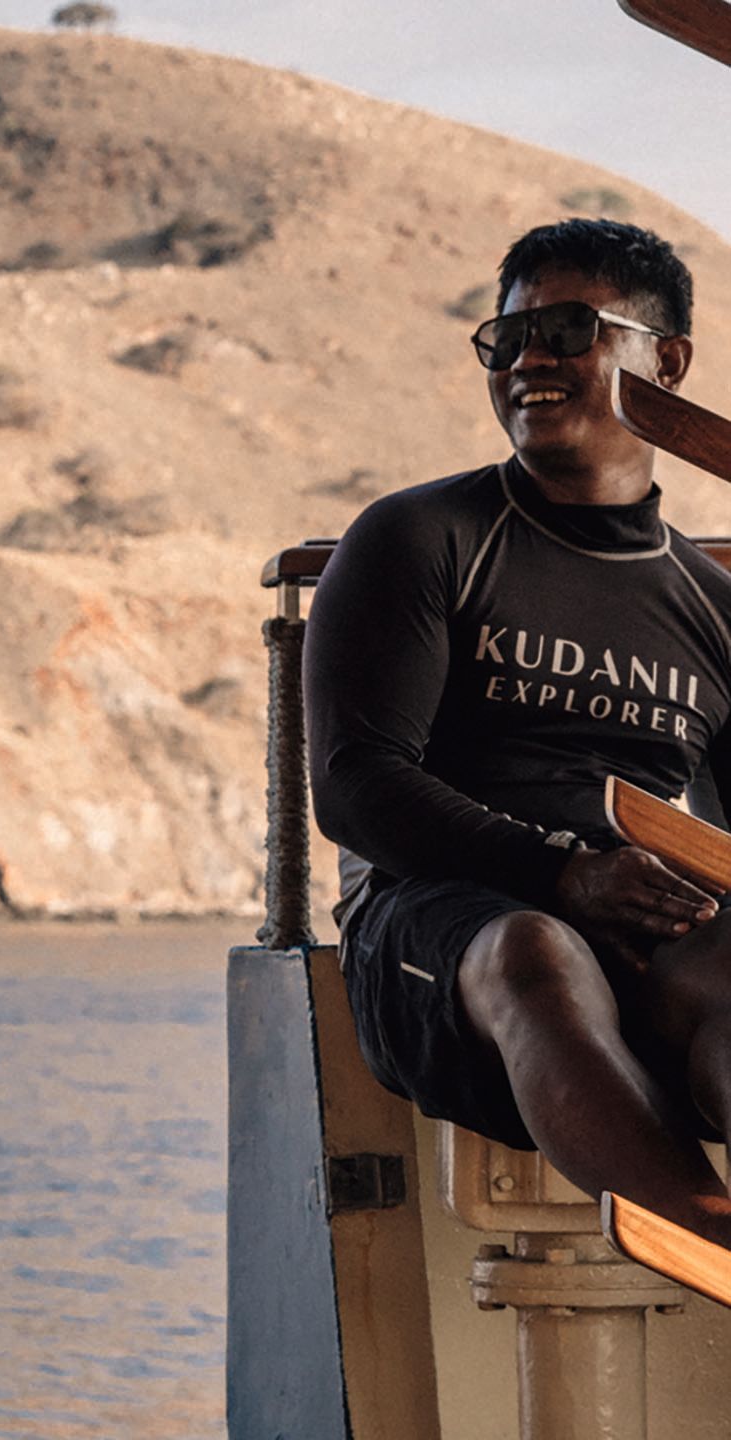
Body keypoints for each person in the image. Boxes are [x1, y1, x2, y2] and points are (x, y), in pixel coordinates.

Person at [309, 216, 731, 1249]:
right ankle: (715, 1242)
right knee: (536, 950)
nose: (530, 359)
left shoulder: (711, 608)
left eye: (570, 330)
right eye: (510, 338)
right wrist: (559, 872)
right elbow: (356, 785)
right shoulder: (424, 539)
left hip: (625, 922)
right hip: (436, 931)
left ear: (665, 363)